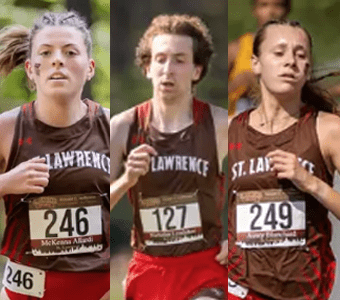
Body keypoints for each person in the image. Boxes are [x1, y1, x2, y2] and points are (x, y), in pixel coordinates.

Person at [110, 14, 228, 300]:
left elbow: (256, 182)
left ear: (197, 70)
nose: (168, 69)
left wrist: (237, 237)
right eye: (160, 59)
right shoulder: (122, 127)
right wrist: (127, 179)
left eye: (179, 60)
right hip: (149, 271)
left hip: (204, 268)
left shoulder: (221, 124)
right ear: (147, 67)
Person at [0, 11, 110, 300]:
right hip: (25, 293)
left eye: (70, 52)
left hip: (98, 291)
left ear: (89, 67)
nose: (57, 59)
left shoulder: (113, 126)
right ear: (30, 69)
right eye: (46, 52)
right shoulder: (7, 128)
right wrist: (5, 182)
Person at [228, 19, 340, 300]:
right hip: (241, 287)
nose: (290, 61)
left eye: (300, 55)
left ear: (307, 69)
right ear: (255, 63)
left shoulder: (328, 130)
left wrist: (312, 183)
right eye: (279, 53)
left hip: (304, 289)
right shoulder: (229, 130)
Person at [228, 0, 291, 117]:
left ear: (288, 10)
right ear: (255, 10)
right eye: (264, 5)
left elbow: (308, 92)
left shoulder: (296, 50)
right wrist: (236, 86)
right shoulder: (237, 48)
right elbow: (213, 96)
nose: (271, 12)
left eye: (278, 5)